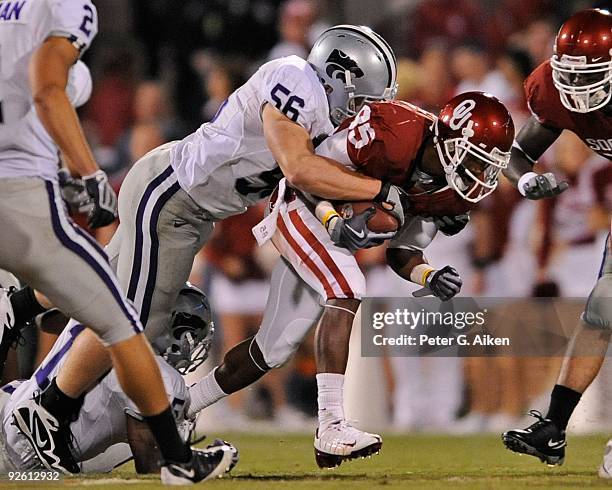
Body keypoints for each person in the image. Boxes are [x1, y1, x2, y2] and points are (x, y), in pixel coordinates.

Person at [1, 23, 403, 474]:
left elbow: (310, 178)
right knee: (132, 320)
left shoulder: (314, 105)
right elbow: (298, 167)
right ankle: (49, 413)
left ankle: (18, 305)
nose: (361, 112)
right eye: (363, 100)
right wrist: (381, 189)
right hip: (173, 198)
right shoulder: (296, 80)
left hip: (187, 207)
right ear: (340, 73)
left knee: (107, 288)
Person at [188, 92, 514, 467]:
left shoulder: (452, 193)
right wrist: (331, 218)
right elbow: (308, 169)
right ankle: (330, 425)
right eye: (475, 158)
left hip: (337, 225)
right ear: (449, 141)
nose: (479, 174)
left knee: (272, 350)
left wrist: (429, 274)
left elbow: (402, 252)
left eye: (487, 164)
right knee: (346, 288)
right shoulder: (393, 130)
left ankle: (182, 404)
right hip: (301, 202)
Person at [0, 1, 231, 482]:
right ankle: (178, 462)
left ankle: (15, 308)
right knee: (124, 319)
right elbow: (47, 90)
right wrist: (86, 172)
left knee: (104, 300)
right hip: (15, 187)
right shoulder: (67, 12)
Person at [500, 9, 612, 470]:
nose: (577, 86)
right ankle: (554, 428)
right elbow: (518, 152)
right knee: (601, 311)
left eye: (590, 75)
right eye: (569, 74)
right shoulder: (553, 91)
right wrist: (525, 181)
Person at [0, 284, 237, 477]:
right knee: (168, 426)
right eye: (190, 335)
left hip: (9, 407)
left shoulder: (105, 312)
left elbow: (48, 321)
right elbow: (150, 466)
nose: (191, 345)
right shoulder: (163, 376)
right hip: (31, 455)